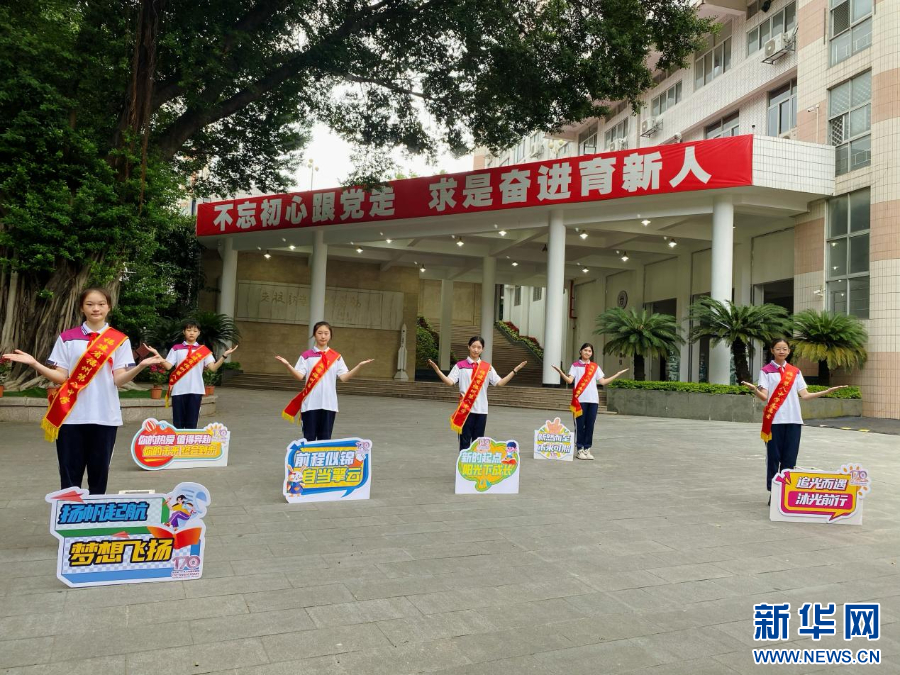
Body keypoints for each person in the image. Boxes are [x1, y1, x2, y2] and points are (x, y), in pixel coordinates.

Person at [2, 287, 164, 493]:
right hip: (71, 416)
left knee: (99, 475)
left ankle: (94, 513)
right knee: (70, 476)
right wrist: (35, 363)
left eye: (101, 304)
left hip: (105, 416)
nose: (96, 309)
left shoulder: (119, 340)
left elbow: (119, 380)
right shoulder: (67, 338)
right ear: (81, 308)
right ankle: (70, 512)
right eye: (90, 304)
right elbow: (61, 377)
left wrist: (140, 366)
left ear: (109, 307)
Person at [741, 337, 848, 502]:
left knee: (790, 458)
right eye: (778, 348)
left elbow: (805, 395)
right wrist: (755, 389)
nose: (781, 351)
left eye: (784, 349)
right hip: (775, 421)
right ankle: (774, 492)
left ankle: (785, 491)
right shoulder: (766, 371)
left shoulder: (795, 371)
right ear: (772, 350)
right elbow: (764, 397)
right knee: (773, 458)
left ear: (789, 351)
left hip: (794, 420)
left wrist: (827, 392)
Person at [275, 321, 374, 441]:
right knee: (309, 440)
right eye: (320, 333)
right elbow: (299, 376)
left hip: (329, 404)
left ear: (330, 335)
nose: (323, 336)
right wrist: (288, 365)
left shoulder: (336, 357)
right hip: (310, 404)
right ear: (314, 335)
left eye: (326, 333)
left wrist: (359, 366)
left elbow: (344, 377)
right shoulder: (306, 356)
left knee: (325, 441)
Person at [427, 335, 527, 451]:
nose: (476, 350)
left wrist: (515, 371)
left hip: (481, 410)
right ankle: (464, 463)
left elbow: (499, 383)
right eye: (473, 346)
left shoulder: (487, 368)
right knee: (464, 444)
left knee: (478, 445)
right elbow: (450, 382)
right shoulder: (460, 366)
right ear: (468, 347)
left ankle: (475, 463)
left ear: (482, 349)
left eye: (479, 347)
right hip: (465, 411)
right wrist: (438, 371)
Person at [148, 319, 239, 429]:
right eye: (189, 330)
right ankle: (179, 441)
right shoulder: (176, 349)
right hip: (178, 390)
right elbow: (168, 366)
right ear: (184, 332)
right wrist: (158, 356)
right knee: (178, 424)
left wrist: (224, 356)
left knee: (192, 424)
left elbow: (213, 368)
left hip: (196, 390)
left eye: (195, 331)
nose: (192, 333)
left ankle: (189, 441)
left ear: (199, 333)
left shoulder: (203, 350)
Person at [552, 343, 628, 460]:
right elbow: (569, 380)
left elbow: (602, 382)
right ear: (581, 351)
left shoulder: (595, 367)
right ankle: (579, 449)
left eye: (590, 351)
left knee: (590, 425)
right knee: (580, 425)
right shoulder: (575, 366)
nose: (587, 352)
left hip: (593, 400)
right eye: (585, 350)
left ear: (591, 353)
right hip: (580, 400)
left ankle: (587, 449)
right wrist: (560, 372)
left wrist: (617, 375)